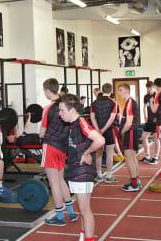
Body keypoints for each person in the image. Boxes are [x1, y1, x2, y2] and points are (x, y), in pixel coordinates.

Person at [58, 94, 105, 241]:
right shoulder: (72, 125)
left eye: (62, 110)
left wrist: (86, 152)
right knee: (83, 209)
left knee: (85, 210)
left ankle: (88, 238)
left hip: (82, 172)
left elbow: (100, 140)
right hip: (76, 170)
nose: (60, 114)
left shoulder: (81, 122)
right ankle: (83, 235)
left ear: (71, 110)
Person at [39, 78, 78, 226]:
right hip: (63, 148)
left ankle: (60, 216)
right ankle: (72, 213)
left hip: (51, 146)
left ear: (48, 90)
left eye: (44, 90)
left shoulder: (48, 108)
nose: (44, 93)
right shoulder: (65, 104)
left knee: (53, 182)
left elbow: (42, 133)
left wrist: (39, 133)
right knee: (61, 180)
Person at [89, 83, 119, 183]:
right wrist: (104, 129)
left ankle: (99, 175)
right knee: (109, 153)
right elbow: (112, 118)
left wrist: (98, 129)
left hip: (97, 131)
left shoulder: (94, 102)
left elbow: (92, 118)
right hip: (109, 130)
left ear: (102, 90)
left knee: (98, 153)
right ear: (111, 91)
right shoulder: (113, 103)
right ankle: (109, 176)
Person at [117, 84, 140, 191]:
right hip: (132, 132)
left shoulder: (130, 102)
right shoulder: (129, 102)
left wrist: (121, 132)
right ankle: (136, 181)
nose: (119, 92)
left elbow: (129, 123)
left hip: (130, 132)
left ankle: (134, 184)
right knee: (133, 158)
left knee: (129, 159)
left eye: (120, 90)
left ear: (127, 91)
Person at [141, 81, 160, 164]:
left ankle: (156, 157)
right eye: (147, 88)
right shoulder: (146, 96)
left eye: (150, 88)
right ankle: (147, 156)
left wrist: (158, 118)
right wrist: (145, 117)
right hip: (149, 120)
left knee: (156, 138)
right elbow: (144, 107)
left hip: (156, 120)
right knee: (144, 137)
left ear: (153, 87)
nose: (148, 90)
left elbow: (159, 108)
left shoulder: (157, 96)